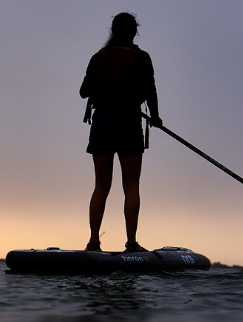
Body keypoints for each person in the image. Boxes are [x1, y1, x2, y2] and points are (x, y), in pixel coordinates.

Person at [79, 12, 161, 252]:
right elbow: (150, 90)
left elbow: (84, 92)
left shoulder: (98, 57)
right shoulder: (141, 57)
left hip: (102, 123)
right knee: (132, 186)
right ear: (134, 32)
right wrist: (155, 116)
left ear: (112, 31)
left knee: (101, 186)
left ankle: (93, 242)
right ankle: (132, 244)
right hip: (128, 123)